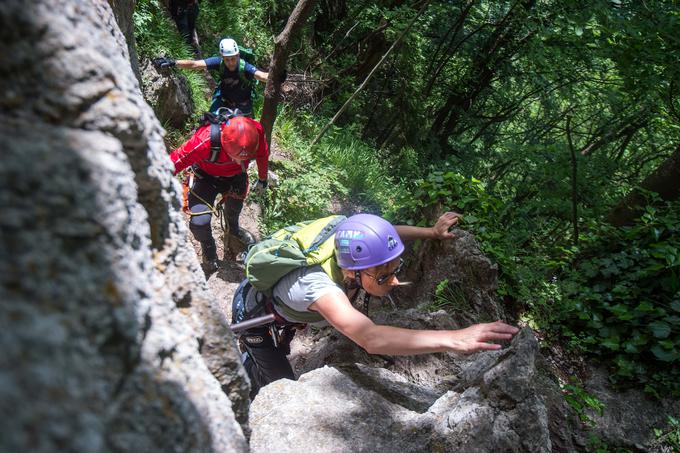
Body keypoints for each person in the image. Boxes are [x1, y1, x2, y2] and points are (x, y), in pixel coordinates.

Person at [232, 212, 520, 398]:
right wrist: (455, 339)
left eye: (396, 269)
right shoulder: (317, 286)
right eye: (384, 275)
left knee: (274, 356)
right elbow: (371, 338)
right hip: (254, 317)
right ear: (352, 272)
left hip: (279, 313)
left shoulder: (350, 238)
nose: (393, 281)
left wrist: (430, 232)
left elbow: (385, 234)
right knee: (283, 390)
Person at [170, 115, 269, 272]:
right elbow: (174, 161)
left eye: (246, 159)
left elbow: (263, 155)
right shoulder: (204, 141)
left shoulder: (255, 132)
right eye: (236, 158)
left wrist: (263, 178)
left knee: (234, 210)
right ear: (225, 145)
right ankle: (209, 250)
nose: (241, 162)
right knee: (199, 223)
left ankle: (233, 230)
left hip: (235, 177)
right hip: (205, 177)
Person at [155, 38, 269, 117]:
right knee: (209, 128)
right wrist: (173, 62)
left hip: (243, 106)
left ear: (238, 55)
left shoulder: (245, 67)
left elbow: (262, 76)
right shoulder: (219, 62)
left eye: (233, 58)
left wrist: (276, 77)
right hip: (224, 102)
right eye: (227, 59)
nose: (230, 62)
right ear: (222, 57)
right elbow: (195, 64)